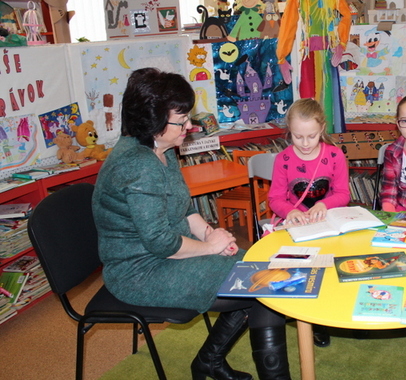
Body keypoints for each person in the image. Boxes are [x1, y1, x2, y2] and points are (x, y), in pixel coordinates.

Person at [92, 68, 291, 380]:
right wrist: (209, 247)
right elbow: (161, 243)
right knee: (261, 286)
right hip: (139, 272)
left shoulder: (160, 148)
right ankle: (222, 365)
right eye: (182, 120)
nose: (190, 126)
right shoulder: (138, 165)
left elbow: (183, 208)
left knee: (256, 271)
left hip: (166, 255)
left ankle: (208, 362)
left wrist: (211, 235)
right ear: (153, 120)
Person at [268, 98, 350, 347]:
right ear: (289, 131)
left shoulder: (334, 155)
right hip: (297, 225)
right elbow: (275, 198)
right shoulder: (283, 159)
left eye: (311, 136)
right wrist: (290, 211)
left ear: (322, 129)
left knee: (331, 267)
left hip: (328, 222)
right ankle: (310, 320)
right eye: (297, 136)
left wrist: (325, 204)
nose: (304, 144)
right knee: (301, 270)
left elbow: (343, 194)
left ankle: (327, 315)